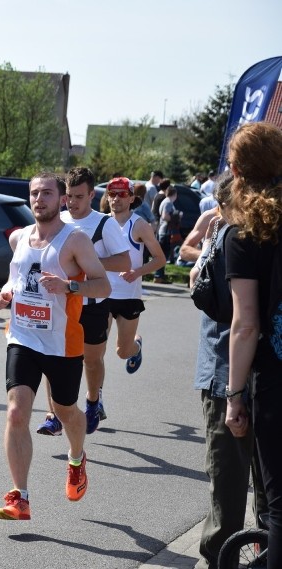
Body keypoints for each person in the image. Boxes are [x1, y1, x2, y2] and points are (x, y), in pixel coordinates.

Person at [0, 172, 110, 520]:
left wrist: (70, 288)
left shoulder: (74, 240)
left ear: (61, 199)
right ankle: (20, 496)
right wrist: (5, 295)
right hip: (23, 336)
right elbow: (17, 280)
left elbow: (102, 286)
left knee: (65, 411)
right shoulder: (19, 238)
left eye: (46, 193)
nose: (39, 199)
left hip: (62, 343)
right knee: (16, 412)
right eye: (34, 193)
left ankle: (76, 458)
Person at [189, 172, 267, 569]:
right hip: (249, 375)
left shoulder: (231, 238)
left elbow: (201, 291)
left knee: (229, 486)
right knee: (258, 486)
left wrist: (205, 249)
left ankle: (222, 560)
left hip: (228, 377)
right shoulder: (253, 237)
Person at [224, 121, 282, 569]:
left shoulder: (246, 233)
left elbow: (245, 325)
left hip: (275, 376)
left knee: (279, 501)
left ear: (239, 171)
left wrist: (234, 395)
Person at [36, 167, 130, 437]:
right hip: (61, 303)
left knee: (91, 360)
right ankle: (53, 414)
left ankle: (92, 400)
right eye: (69, 196)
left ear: (91, 195)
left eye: (79, 196)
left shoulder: (104, 223)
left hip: (93, 303)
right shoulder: (59, 220)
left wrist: (87, 262)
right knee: (53, 358)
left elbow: (124, 261)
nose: (72, 202)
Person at [103, 178, 166, 373]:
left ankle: (136, 346)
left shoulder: (139, 225)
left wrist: (137, 272)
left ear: (131, 198)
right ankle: (95, 397)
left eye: (121, 194)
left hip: (128, 295)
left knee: (122, 351)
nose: (116, 199)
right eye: (112, 194)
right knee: (95, 352)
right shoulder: (101, 222)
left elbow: (160, 259)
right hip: (101, 294)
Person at [153, 180, 177, 283]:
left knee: (163, 255)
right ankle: (158, 276)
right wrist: (176, 216)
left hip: (163, 231)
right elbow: (165, 215)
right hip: (165, 231)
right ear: (174, 194)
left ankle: (159, 275)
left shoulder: (165, 201)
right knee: (163, 255)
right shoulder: (168, 202)